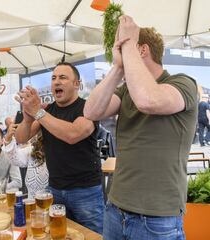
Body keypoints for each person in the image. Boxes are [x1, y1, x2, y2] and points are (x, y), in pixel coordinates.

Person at [84, 16, 197, 240]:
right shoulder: (126, 90)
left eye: (122, 47)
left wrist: (128, 46)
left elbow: (148, 100)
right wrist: (117, 67)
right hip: (115, 209)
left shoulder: (183, 83)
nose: (119, 52)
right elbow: (91, 112)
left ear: (142, 50)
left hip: (157, 218)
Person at [15, 62, 103, 233]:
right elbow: (21, 138)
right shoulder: (49, 111)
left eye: (63, 77)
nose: (56, 82)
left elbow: (73, 135)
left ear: (77, 84)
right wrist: (27, 118)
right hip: (55, 188)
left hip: (86, 191)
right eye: (54, 78)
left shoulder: (87, 108)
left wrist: (38, 113)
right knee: (60, 235)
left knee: (92, 236)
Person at [3, 123, 49, 199]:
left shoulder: (59, 153)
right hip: (31, 205)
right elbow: (14, 158)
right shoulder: (32, 151)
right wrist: (8, 138)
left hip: (51, 205)